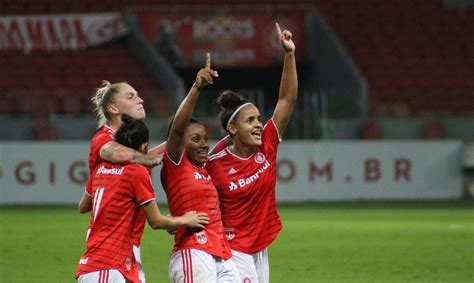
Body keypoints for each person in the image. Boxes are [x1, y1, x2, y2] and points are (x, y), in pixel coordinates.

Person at [205, 22, 297, 283]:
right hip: (232, 250)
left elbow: (286, 100)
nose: (259, 124)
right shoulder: (215, 163)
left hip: (260, 246)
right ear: (232, 128)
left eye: (259, 119)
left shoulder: (267, 143)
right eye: (250, 121)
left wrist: (289, 55)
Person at [76, 115, 209, 283]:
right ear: (144, 146)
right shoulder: (137, 172)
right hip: (108, 266)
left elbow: (83, 206)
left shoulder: (100, 169)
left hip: (98, 263)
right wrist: (185, 219)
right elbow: (156, 221)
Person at [160, 53, 240, 282]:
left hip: (222, 254)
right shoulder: (176, 164)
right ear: (179, 143)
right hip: (193, 251)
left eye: (205, 138)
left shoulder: (204, 169)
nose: (204, 144)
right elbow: (177, 129)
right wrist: (196, 87)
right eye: (196, 139)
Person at [78, 80, 166, 282]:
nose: (140, 99)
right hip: (110, 248)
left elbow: (84, 205)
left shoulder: (129, 148)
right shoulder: (105, 137)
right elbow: (114, 152)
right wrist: (149, 159)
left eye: (137, 94)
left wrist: (177, 140)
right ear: (113, 108)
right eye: (131, 96)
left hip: (127, 244)